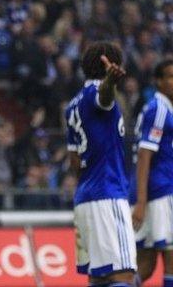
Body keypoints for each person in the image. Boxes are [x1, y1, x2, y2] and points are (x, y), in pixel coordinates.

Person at [65, 41, 136, 286]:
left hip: (85, 197)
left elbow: (74, 160)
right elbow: (103, 97)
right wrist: (110, 82)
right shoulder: (97, 92)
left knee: (99, 276)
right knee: (123, 274)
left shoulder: (72, 104)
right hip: (107, 192)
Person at [131, 59, 173, 287]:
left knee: (145, 265)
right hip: (159, 192)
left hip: (153, 191)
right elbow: (145, 155)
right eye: (170, 77)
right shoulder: (159, 109)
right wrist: (141, 200)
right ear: (158, 81)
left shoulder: (164, 109)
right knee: (171, 260)